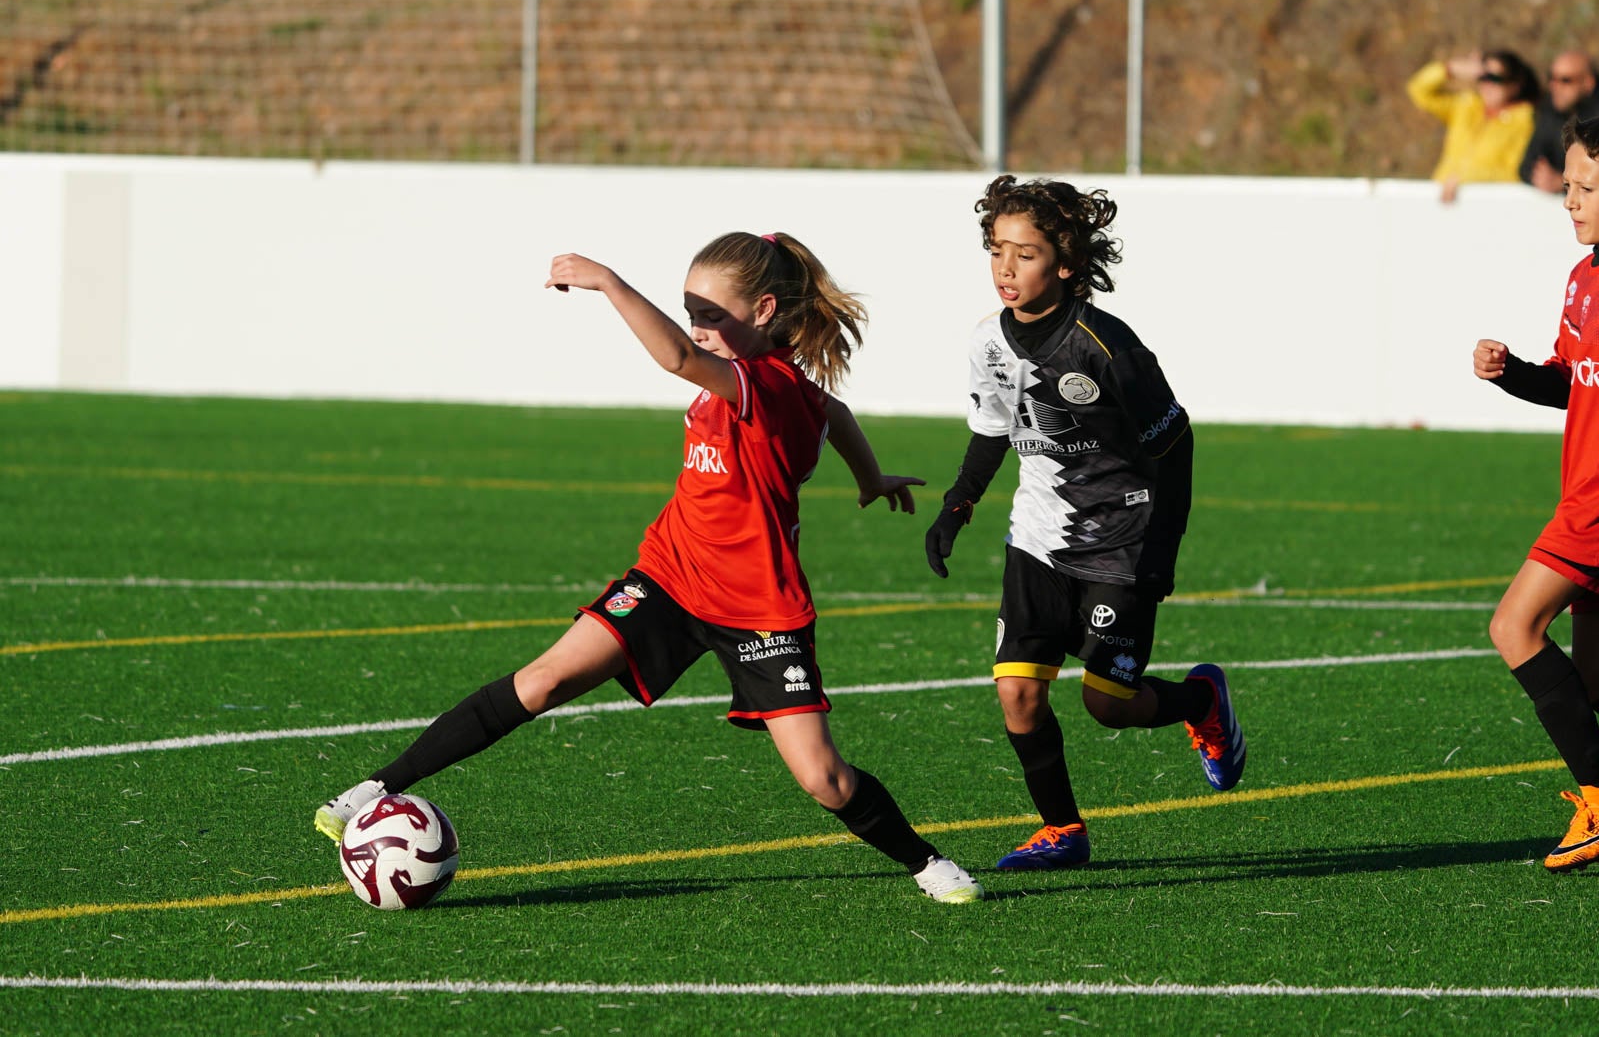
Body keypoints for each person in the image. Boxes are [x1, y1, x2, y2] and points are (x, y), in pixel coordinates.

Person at [314, 231, 985, 904]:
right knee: (543, 681)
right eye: (690, 312)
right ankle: (375, 788)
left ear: (763, 311)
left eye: (711, 314)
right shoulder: (756, 381)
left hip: (757, 607)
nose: (698, 329)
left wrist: (608, 281)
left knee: (823, 779)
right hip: (669, 576)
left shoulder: (765, 385)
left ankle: (926, 862)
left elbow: (682, 360)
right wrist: (869, 477)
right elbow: (831, 410)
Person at [921, 174, 1244, 872]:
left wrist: (1160, 554)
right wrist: (957, 504)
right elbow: (992, 428)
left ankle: (1200, 700)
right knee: (1017, 692)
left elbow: (1175, 446)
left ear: (1065, 263)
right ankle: (1062, 830)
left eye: (1025, 254)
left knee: (1108, 702)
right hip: (1038, 535)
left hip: (1122, 538)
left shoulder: (1107, 346)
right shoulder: (988, 341)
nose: (1006, 269)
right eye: (997, 250)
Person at [1473, 115, 1599, 872]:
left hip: (1594, 507)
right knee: (1592, 684)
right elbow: (1573, 384)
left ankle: (1598, 800)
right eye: (1569, 185)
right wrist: (1513, 373)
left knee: (1514, 627)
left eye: (1586, 187)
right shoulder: (1583, 278)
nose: (1569, 200)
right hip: (1581, 491)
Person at [1407, 49, 1538, 203]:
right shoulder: (1467, 106)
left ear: (1515, 85)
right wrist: (1451, 69)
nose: (1488, 84)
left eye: (1495, 78)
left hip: (1485, 204)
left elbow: (1515, 173)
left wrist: (1465, 179)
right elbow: (1418, 90)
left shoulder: (1526, 122)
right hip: (1442, 199)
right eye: (1484, 77)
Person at [1520, 51, 1599, 194]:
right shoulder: (1549, 111)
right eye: (1552, 78)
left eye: (1565, 80)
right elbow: (1526, 166)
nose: (1555, 86)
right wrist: (1544, 177)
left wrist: (1563, 183)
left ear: (1588, 83)